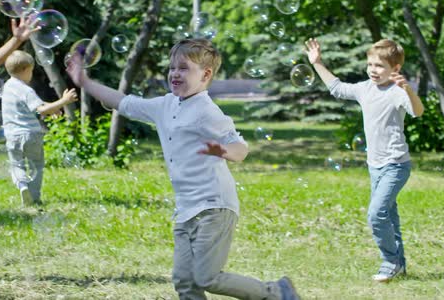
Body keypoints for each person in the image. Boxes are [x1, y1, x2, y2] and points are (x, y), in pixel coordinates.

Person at [66, 38, 301, 300]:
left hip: (214, 207)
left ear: (206, 75)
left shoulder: (207, 112)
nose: (175, 73)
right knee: (184, 282)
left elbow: (240, 148)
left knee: (207, 277)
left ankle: (275, 292)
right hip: (186, 209)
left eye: (184, 68)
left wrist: (223, 151)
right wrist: (84, 81)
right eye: (172, 68)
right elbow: (124, 103)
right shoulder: (165, 105)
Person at [305, 37, 424, 282]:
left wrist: (409, 90)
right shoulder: (364, 89)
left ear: (395, 69)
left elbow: (417, 111)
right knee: (389, 216)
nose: (373, 70)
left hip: (396, 164)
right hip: (375, 166)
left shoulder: (397, 92)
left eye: (379, 66)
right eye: (370, 64)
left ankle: (389, 261)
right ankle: (399, 264)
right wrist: (317, 63)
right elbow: (337, 88)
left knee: (376, 214)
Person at [2, 50, 78, 206]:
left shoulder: (7, 87)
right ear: (25, 70)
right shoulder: (26, 89)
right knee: (36, 165)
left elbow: (31, 108)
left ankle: (22, 186)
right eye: (31, 71)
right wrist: (63, 101)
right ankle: (34, 197)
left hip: (12, 136)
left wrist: (51, 110)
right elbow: (42, 109)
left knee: (16, 165)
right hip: (31, 135)